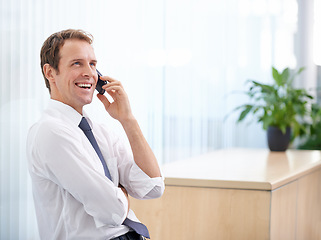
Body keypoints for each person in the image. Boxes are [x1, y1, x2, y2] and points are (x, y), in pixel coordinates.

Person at [26, 29, 164, 240]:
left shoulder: (98, 131)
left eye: (92, 64)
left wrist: (128, 120)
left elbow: (152, 187)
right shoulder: (50, 132)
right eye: (77, 63)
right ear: (50, 72)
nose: (90, 73)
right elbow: (112, 211)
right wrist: (121, 194)